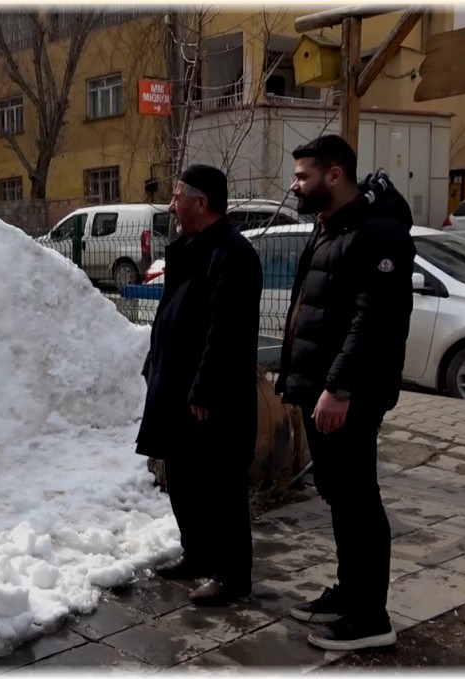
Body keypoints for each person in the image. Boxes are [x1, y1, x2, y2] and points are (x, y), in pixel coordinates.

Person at [277, 135, 415, 651]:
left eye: (303, 176)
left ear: (334, 176)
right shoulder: (331, 226)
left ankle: (371, 618)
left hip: (348, 394)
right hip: (321, 390)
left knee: (358, 501)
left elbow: (374, 321)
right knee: (340, 496)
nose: (295, 185)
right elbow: (312, 309)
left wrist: (339, 386)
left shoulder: (379, 234)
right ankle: (350, 593)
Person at [137, 164, 262, 607]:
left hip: (211, 397)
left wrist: (206, 388)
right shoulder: (190, 249)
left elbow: (225, 330)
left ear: (201, 202)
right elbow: (174, 315)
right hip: (177, 387)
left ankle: (232, 576)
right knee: (184, 478)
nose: (171, 206)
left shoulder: (232, 254)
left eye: (177, 197)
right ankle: (198, 554)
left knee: (220, 486)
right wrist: (154, 364)